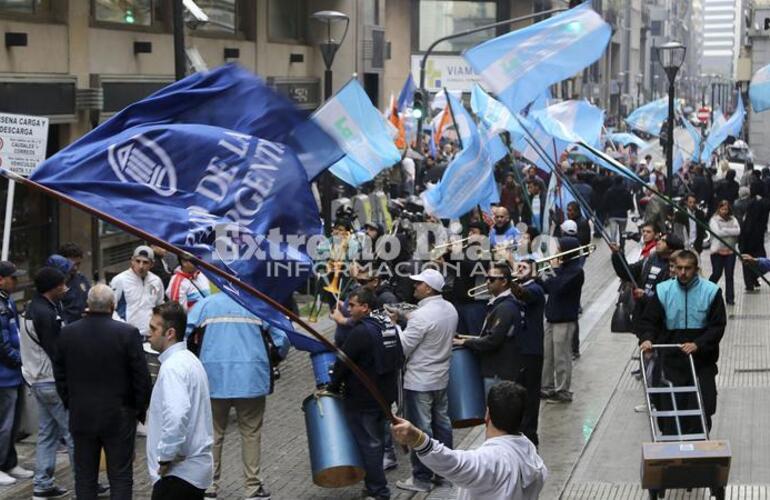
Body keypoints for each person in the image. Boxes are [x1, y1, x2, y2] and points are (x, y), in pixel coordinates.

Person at [186, 292, 289, 500]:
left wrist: (192, 357)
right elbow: (282, 338)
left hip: (213, 376)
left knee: (213, 434)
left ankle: (209, 486)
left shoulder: (205, 305)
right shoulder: (260, 304)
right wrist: (274, 359)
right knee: (251, 433)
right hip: (251, 378)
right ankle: (252, 487)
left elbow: (185, 333)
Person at [54, 284, 151, 500]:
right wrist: (138, 409)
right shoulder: (127, 333)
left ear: (88, 305)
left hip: (82, 414)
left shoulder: (68, 333)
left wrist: (71, 402)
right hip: (119, 415)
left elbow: (59, 374)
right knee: (120, 475)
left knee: (85, 476)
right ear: (112, 305)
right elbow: (141, 377)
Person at [391, 381, 547, 500]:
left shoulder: (491, 460)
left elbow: (453, 462)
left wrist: (417, 438)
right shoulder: (530, 452)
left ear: (487, 415)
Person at [637, 250, 726, 433]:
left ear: (696, 269)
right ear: (674, 269)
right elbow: (649, 320)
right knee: (669, 408)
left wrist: (698, 344)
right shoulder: (663, 291)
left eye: (688, 268)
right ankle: (672, 449)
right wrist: (647, 339)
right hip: (671, 360)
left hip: (701, 361)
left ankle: (698, 447)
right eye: (679, 268)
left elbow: (717, 326)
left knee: (702, 406)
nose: (683, 272)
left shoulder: (711, 291)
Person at [329, 288, 402, 500]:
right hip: (384, 395)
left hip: (364, 398)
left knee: (370, 445)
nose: (347, 309)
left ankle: (378, 491)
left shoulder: (361, 332)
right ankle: (374, 486)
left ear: (365, 307)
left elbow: (343, 362)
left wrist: (333, 387)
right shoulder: (386, 324)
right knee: (377, 442)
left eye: (352, 305)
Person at [391, 269, 458, 493]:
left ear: (428, 288)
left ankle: (421, 477)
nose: (414, 286)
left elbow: (404, 347)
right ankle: (445, 472)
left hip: (419, 380)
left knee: (420, 429)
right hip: (441, 377)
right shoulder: (449, 309)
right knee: (443, 425)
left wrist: (395, 325)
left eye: (418, 283)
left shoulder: (421, 316)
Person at [146, 302, 213, 500]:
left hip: (178, 475)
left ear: (170, 333)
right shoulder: (189, 360)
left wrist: (165, 457)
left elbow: (176, 415)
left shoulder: (173, 368)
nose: (148, 333)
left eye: (153, 328)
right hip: (190, 473)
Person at [19, 268, 74, 499]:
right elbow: (56, 351)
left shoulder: (33, 308)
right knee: (73, 433)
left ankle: (42, 484)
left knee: (47, 434)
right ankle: (85, 482)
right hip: (50, 381)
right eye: (62, 284)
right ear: (52, 287)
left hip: (36, 379)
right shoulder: (46, 314)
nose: (65, 287)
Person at [454, 263, 523, 393]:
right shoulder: (499, 304)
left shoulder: (505, 307)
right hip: (496, 370)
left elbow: (493, 340)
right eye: (487, 278)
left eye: (491, 279)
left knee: (497, 411)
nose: (487, 282)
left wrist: (466, 342)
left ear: (504, 282)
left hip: (499, 372)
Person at [539, 237, 584, 404]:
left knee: (561, 357)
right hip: (551, 316)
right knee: (548, 356)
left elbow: (556, 287)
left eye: (559, 249)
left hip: (564, 319)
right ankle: (547, 387)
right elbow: (545, 287)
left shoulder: (576, 271)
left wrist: (554, 269)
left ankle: (563, 390)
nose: (556, 252)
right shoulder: (563, 268)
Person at [0, 261, 33, 487]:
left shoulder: (7, 300)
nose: (17, 281)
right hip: (4, 375)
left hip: (14, 373)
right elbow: (2, 345)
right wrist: (20, 360)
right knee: (4, 423)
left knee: (12, 424)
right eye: (12, 277)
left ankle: (9, 462)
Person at [511, 260, 546, 447]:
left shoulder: (536, 288)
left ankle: (530, 434)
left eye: (524, 267)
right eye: (518, 266)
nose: (519, 269)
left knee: (530, 394)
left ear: (534, 272)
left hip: (531, 350)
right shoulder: (521, 287)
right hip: (519, 349)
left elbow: (522, 294)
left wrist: (507, 276)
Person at [110, 245, 165, 338]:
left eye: (145, 262)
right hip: (126, 334)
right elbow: (110, 309)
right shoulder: (120, 280)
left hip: (149, 335)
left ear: (152, 264)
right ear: (132, 261)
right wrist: (123, 326)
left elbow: (159, 306)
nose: (141, 266)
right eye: (138, 261)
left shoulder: (156, 281)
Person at [708, 200, 741, 305]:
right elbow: (717, 232)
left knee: (729, 275)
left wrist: (724, 230)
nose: (724, 211)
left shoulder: (733, 219)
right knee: (717, 273)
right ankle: (707, 291)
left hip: (730, 252)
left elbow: (738, 231)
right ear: (719, 209)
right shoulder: (714, 220)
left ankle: (730, 298)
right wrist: (730, 230)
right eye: (722, 209)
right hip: (717, 252)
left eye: (726, 209)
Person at [55, 243, 92, 324]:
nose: (75, 268)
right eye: (71, 264)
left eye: (78, 264)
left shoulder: (81, 278)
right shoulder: (54, 284)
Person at [604, 177, 634, 243]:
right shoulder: (626, 191)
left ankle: (614, 245)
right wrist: (627, 208)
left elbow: (606, 203)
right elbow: (630, 203)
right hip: (623, 215)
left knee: (613, 232)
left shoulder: (609, 191)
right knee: (622, 232)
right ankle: (622, 246)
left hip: (612, 215)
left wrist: (607, 211)